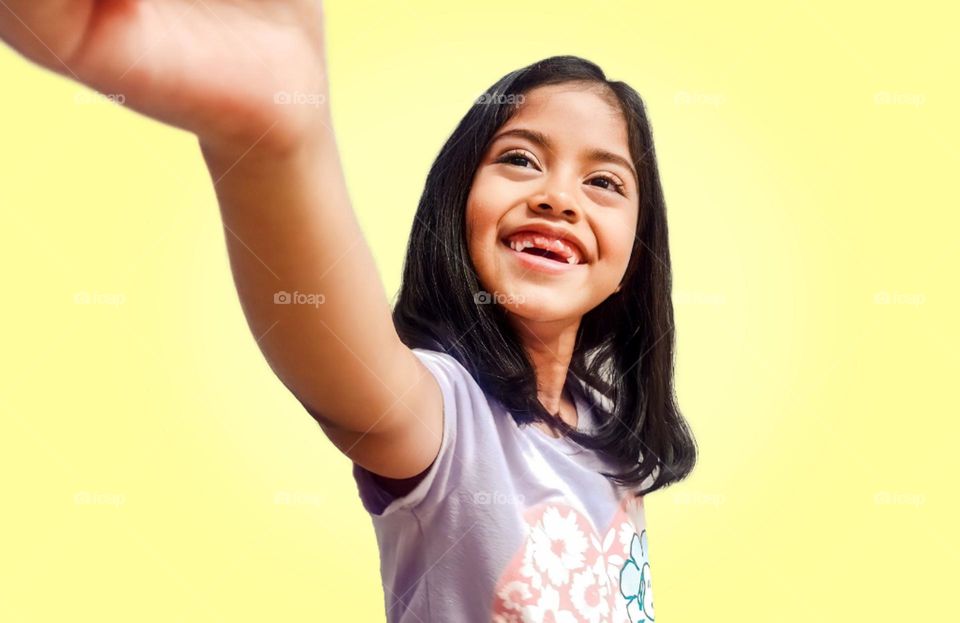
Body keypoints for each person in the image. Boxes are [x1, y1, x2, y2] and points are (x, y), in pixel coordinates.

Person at [0, 2, 697, 621]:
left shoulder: (605, 426)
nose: (559, 197)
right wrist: (274, 138)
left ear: (637, 252)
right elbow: (347, 355)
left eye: (604, 180)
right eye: (519, 159)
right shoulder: (445, 419)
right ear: (457, 206)